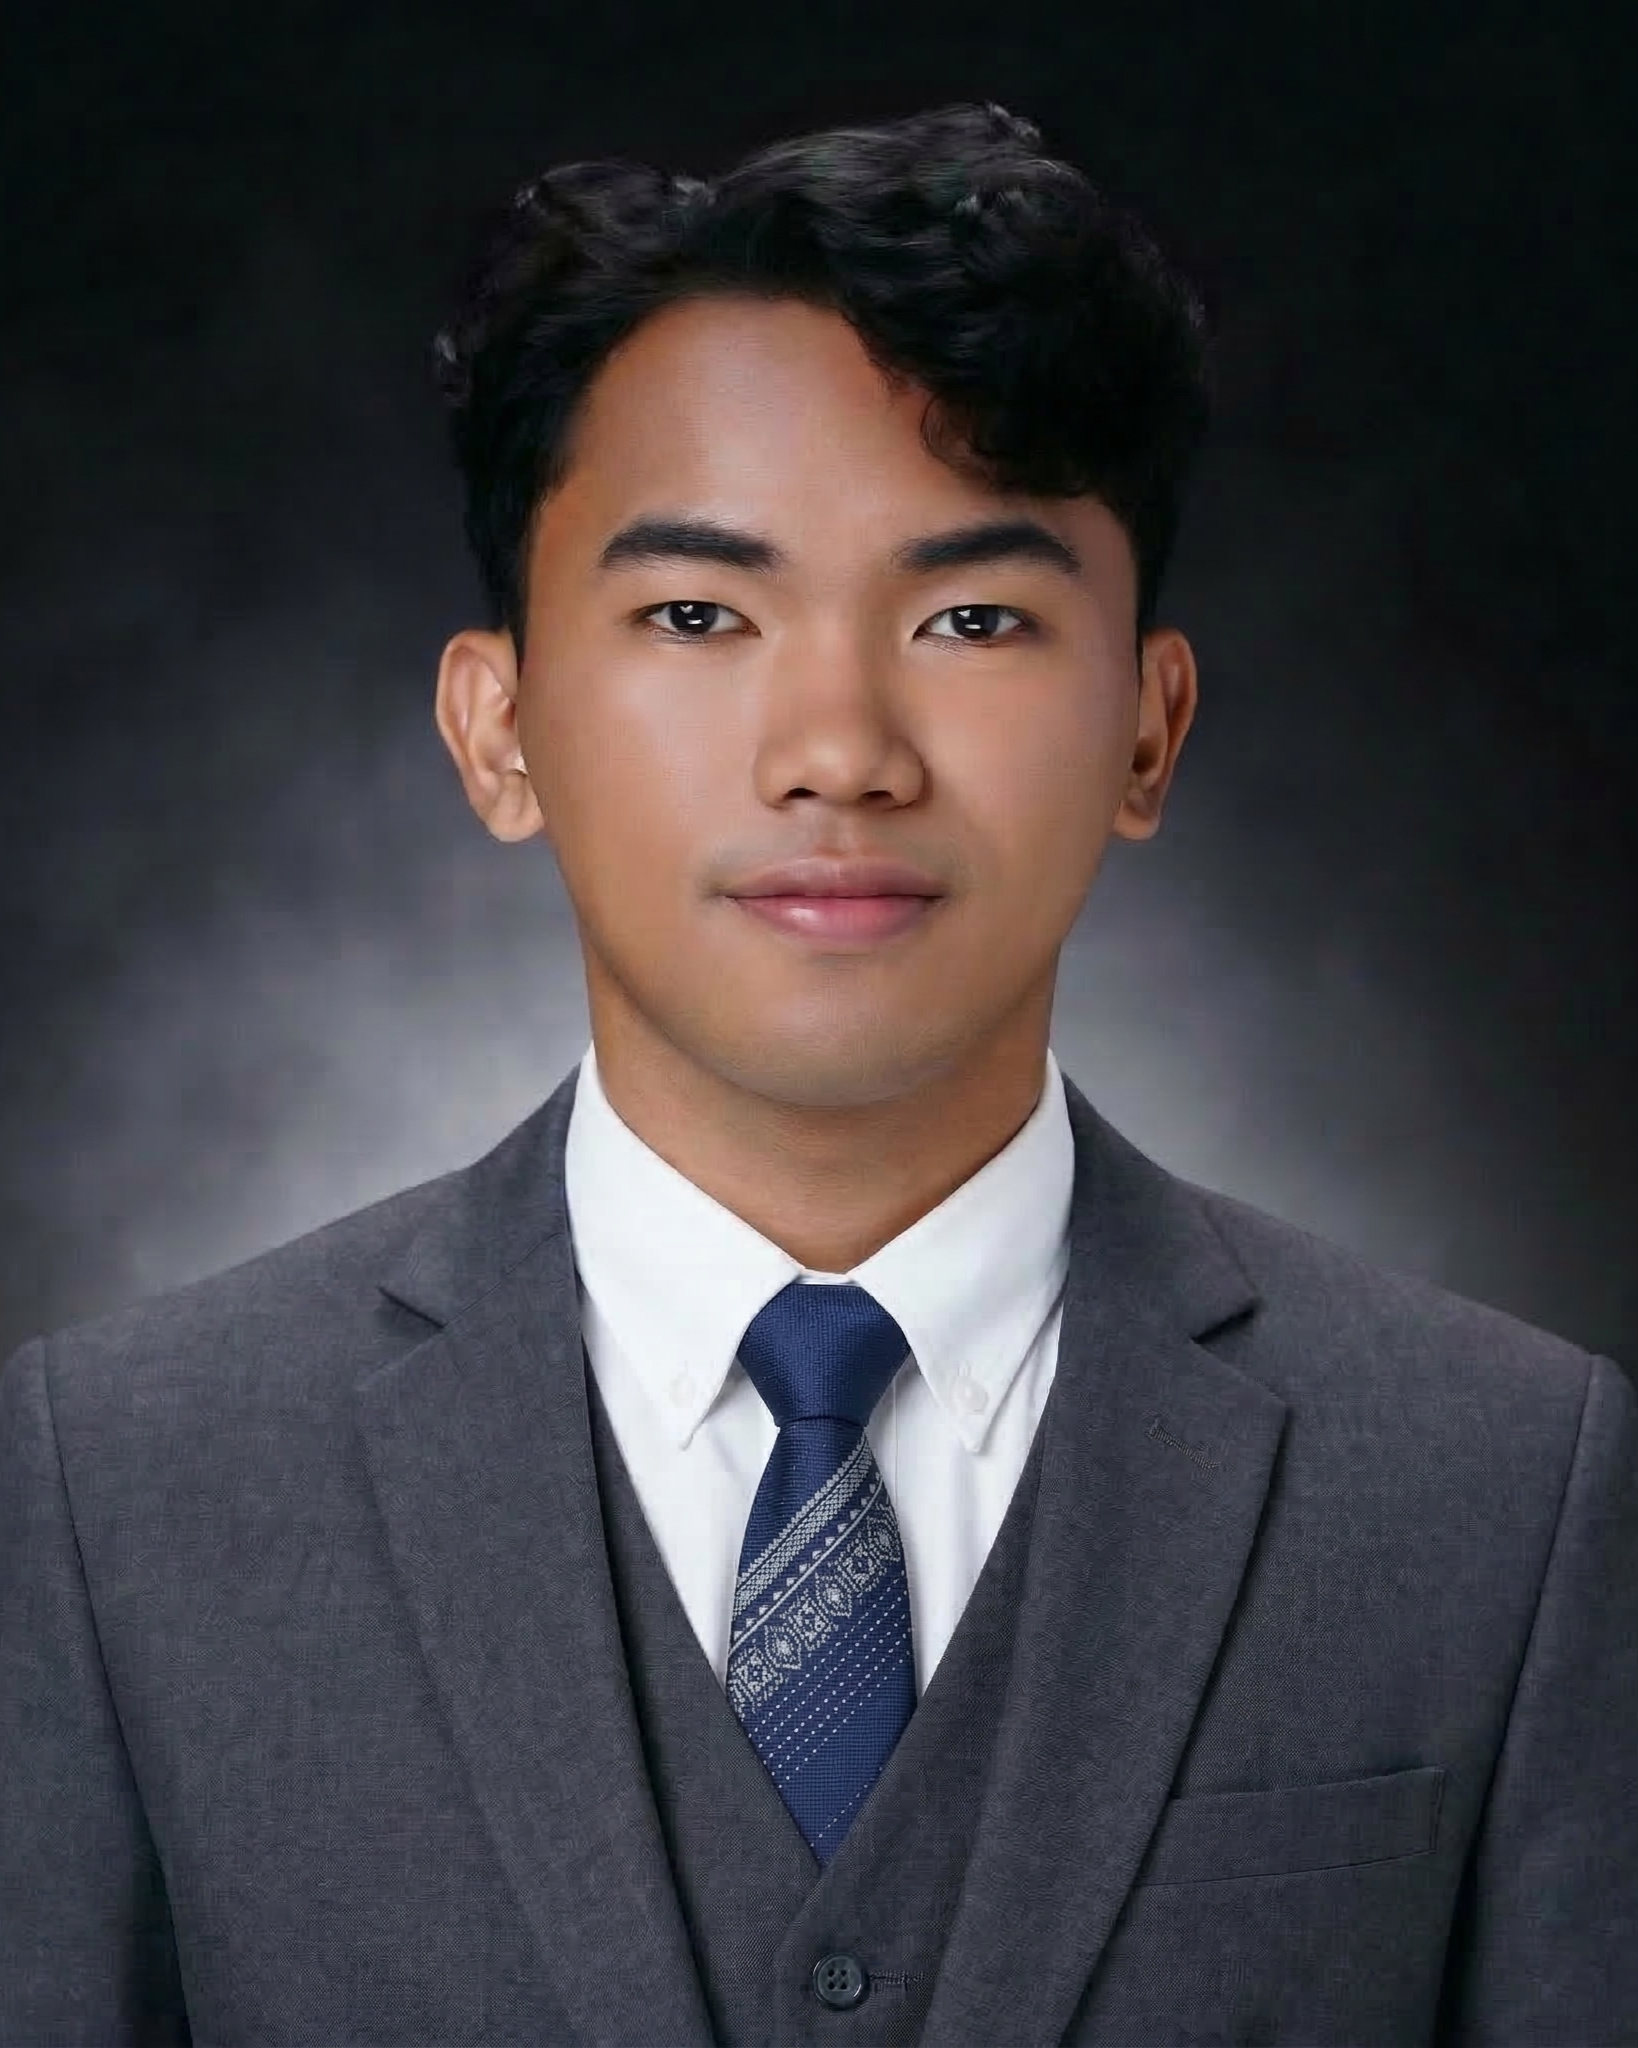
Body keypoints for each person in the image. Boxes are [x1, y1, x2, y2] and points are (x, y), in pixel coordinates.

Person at [1, 100, 1633, 2048]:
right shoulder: (123, 1488)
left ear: (1147, 724)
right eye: (699, 613)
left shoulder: (1503, 1490)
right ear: (497, 726)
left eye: (971, 616)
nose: (840, 747)